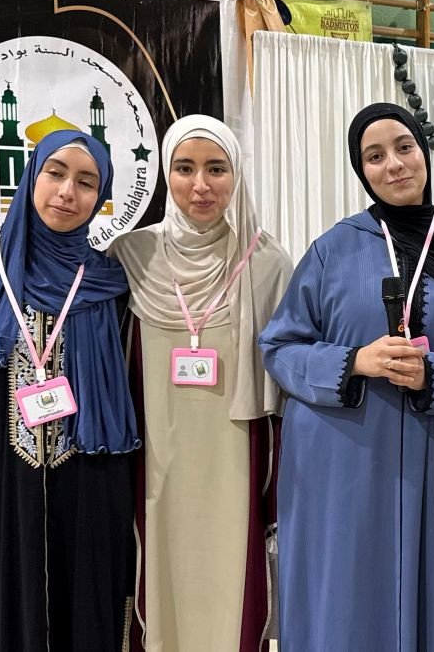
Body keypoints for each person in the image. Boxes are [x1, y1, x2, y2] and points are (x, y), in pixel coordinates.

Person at [259, 102, 434, 651]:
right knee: (337, 603)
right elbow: (279, 347)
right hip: (338, 461)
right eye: (375, 156)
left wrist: (433, 377)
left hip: (431, 460)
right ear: (360, 169)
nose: (393, 164)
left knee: (416, 606)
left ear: (423, 152)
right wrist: (353, 362)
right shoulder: (332, 250)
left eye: (404, 147)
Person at [109, 115, 292, 651]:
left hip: (234, 456)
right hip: (156, 457)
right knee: (158, 577)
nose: (200, 185)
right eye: (184, 168)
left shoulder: (266, 263)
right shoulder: (131, 257)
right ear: (167, 174)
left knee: (229, 582)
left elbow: (285, 385)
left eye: (216, 168)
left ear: (236, 176)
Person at [0, 130, 138, 651]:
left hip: (93, 488)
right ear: (30, 176)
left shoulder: (113, 286)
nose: (67, 192)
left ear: (100, 199)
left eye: (86, 183)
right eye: (55, 173)